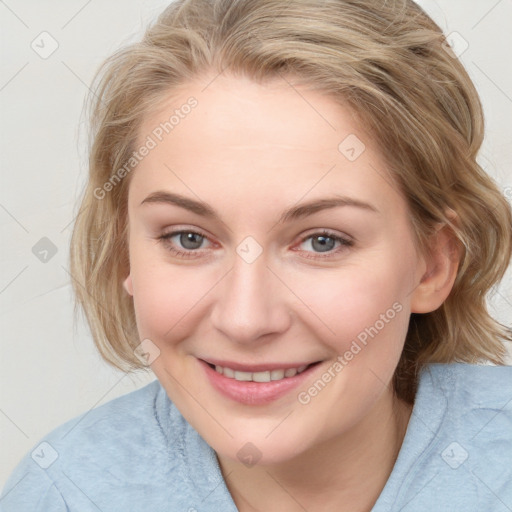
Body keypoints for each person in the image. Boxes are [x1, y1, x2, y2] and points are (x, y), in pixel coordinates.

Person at [1, 0, 511, 510]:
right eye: (189, 238)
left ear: (434, 264)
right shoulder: (65, 493)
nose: (246, 321)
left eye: (322, 241)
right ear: (124, 255)